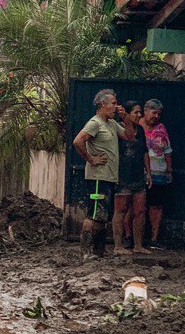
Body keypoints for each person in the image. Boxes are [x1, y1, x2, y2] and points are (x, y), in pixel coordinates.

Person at [72, 88, 122, 258]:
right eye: (113, 103)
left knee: (103, 215)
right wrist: (90, 159)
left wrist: (127, 119)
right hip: (98, 177)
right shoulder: (95, 123)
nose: (116, 106)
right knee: (93, 214)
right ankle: (85, 251)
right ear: (103, 104)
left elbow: (129, 135)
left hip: (109, 176)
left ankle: (99, 252)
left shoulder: (112, 124)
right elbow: (78, 141)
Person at [112, 101, 150, 256]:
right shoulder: (117, 128)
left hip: (138, 175)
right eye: (136, 112)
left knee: (140, 210)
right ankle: (118, 245)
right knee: (120, 210)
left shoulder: (140, 130)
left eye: (139, 112)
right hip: (122, 175)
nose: (139, 115)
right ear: (127, 114)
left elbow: (144, 152)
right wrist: (125, 120)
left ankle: (138, 245)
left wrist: (148, 172)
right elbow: (128, 137)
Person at [141, 99, 173, 249]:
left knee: (156, 205)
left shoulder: (162, 129)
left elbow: (167, 152)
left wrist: (169, 170)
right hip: (139, 172)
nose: (156, 116)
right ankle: (133, 238)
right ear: (145, 111)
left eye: (159, 114)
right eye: (154, 113)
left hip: (158, 172)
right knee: (137, 206)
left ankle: (154, 238)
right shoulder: (136, 126)